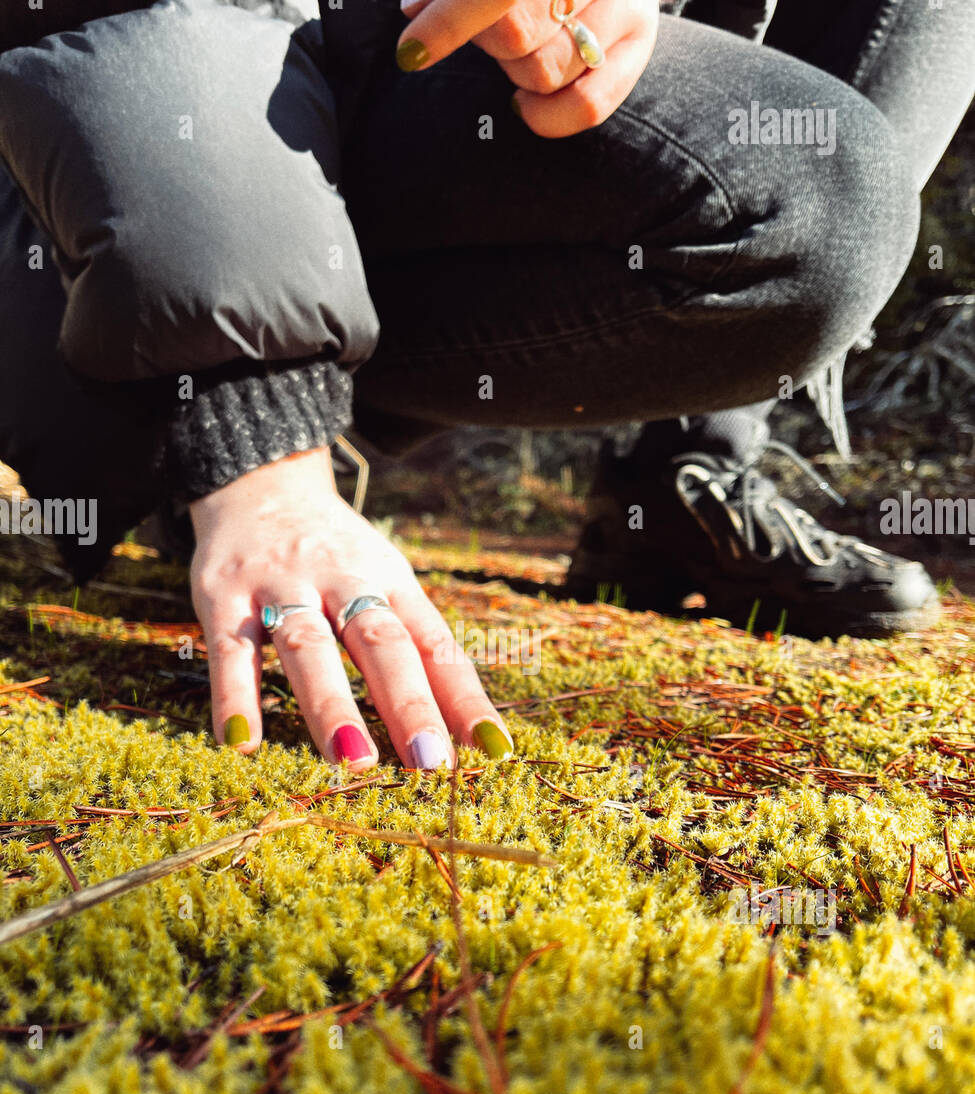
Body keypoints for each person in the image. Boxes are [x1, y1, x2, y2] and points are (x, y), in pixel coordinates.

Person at [0, 0, 972, 771]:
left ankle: (683, 472)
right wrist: (252, 426)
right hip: (108, 160)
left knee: (832, 171)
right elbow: (122, 28)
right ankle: (223, 441)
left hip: (410, 103)